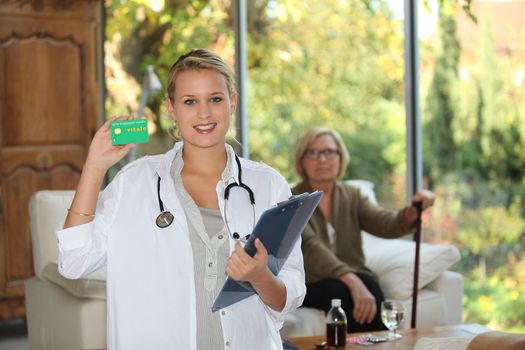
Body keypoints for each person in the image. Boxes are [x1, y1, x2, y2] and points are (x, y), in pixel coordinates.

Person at [57, 48, 305, 350]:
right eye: (190, 101)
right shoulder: (135, 182)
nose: (204, 113)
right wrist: (95, 166)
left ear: (233, 102)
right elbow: (73, 262)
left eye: (215, 99)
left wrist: (260, 276)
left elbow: (288, 295)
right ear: (171, 109)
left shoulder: (269, 185)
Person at [292, 127, 435, 332]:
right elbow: (311, 247)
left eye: (329, 152)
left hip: (351, 278)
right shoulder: (293, 199)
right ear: (302, 160)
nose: (322, 159)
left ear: (341, 158)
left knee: (367, 282)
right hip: (310, 283)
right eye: (313, 152)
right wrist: (353, 281)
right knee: (343, 291)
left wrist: (413, 210)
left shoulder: (352, 195)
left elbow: (385, 222)